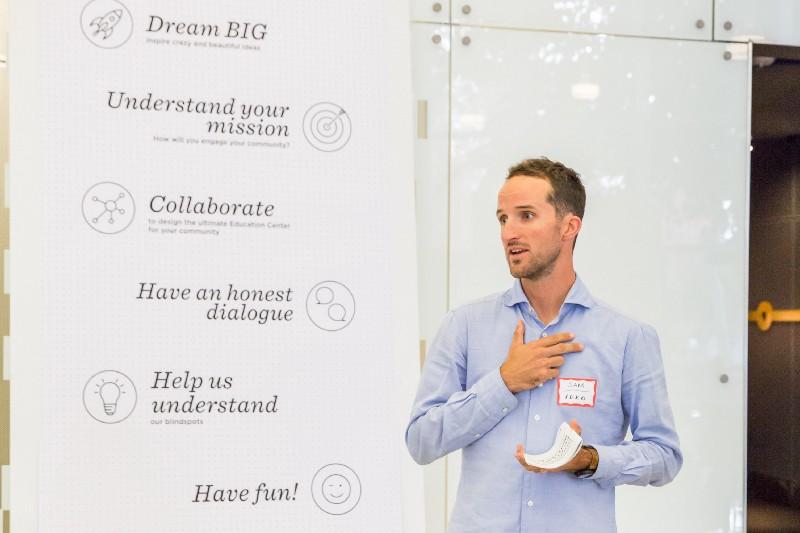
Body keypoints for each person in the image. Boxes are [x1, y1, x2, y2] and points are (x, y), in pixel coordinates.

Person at [405, 157, 682, 532]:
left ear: (569, 226)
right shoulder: (464, 325)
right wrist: (504, 382)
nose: (509, 233)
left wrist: (590, 459)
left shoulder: (627, 337)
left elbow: (665, 456)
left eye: (526, 216)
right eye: (503, 219)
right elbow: (422, 440)